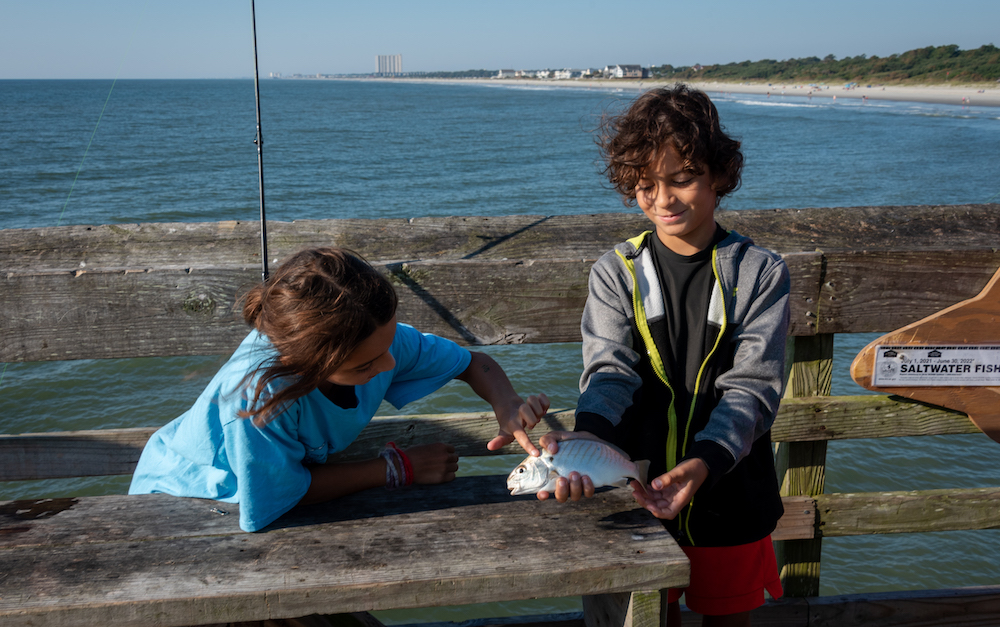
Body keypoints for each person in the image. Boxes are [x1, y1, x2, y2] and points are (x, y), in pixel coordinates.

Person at [538, 85, 790, 626]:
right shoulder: (616, 271)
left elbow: (755, 387)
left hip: (732, 493)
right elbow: (609, 371)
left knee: (731, 617)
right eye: (645, 185)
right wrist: (590, 433)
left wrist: (706, 461)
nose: (664, 200)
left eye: (683, 179)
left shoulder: (760, 272)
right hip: (633, 493)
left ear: (720, 174)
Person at [130, 246, 549, 533]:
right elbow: (275, 500)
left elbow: (473, 363)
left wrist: (506, 402)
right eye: (365, 365)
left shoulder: (376, 340)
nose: (389, 367)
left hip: (259, 492)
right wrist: (396, 469)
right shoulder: (259, 399)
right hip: (183, 501)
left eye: (388, 348)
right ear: (309, 363)